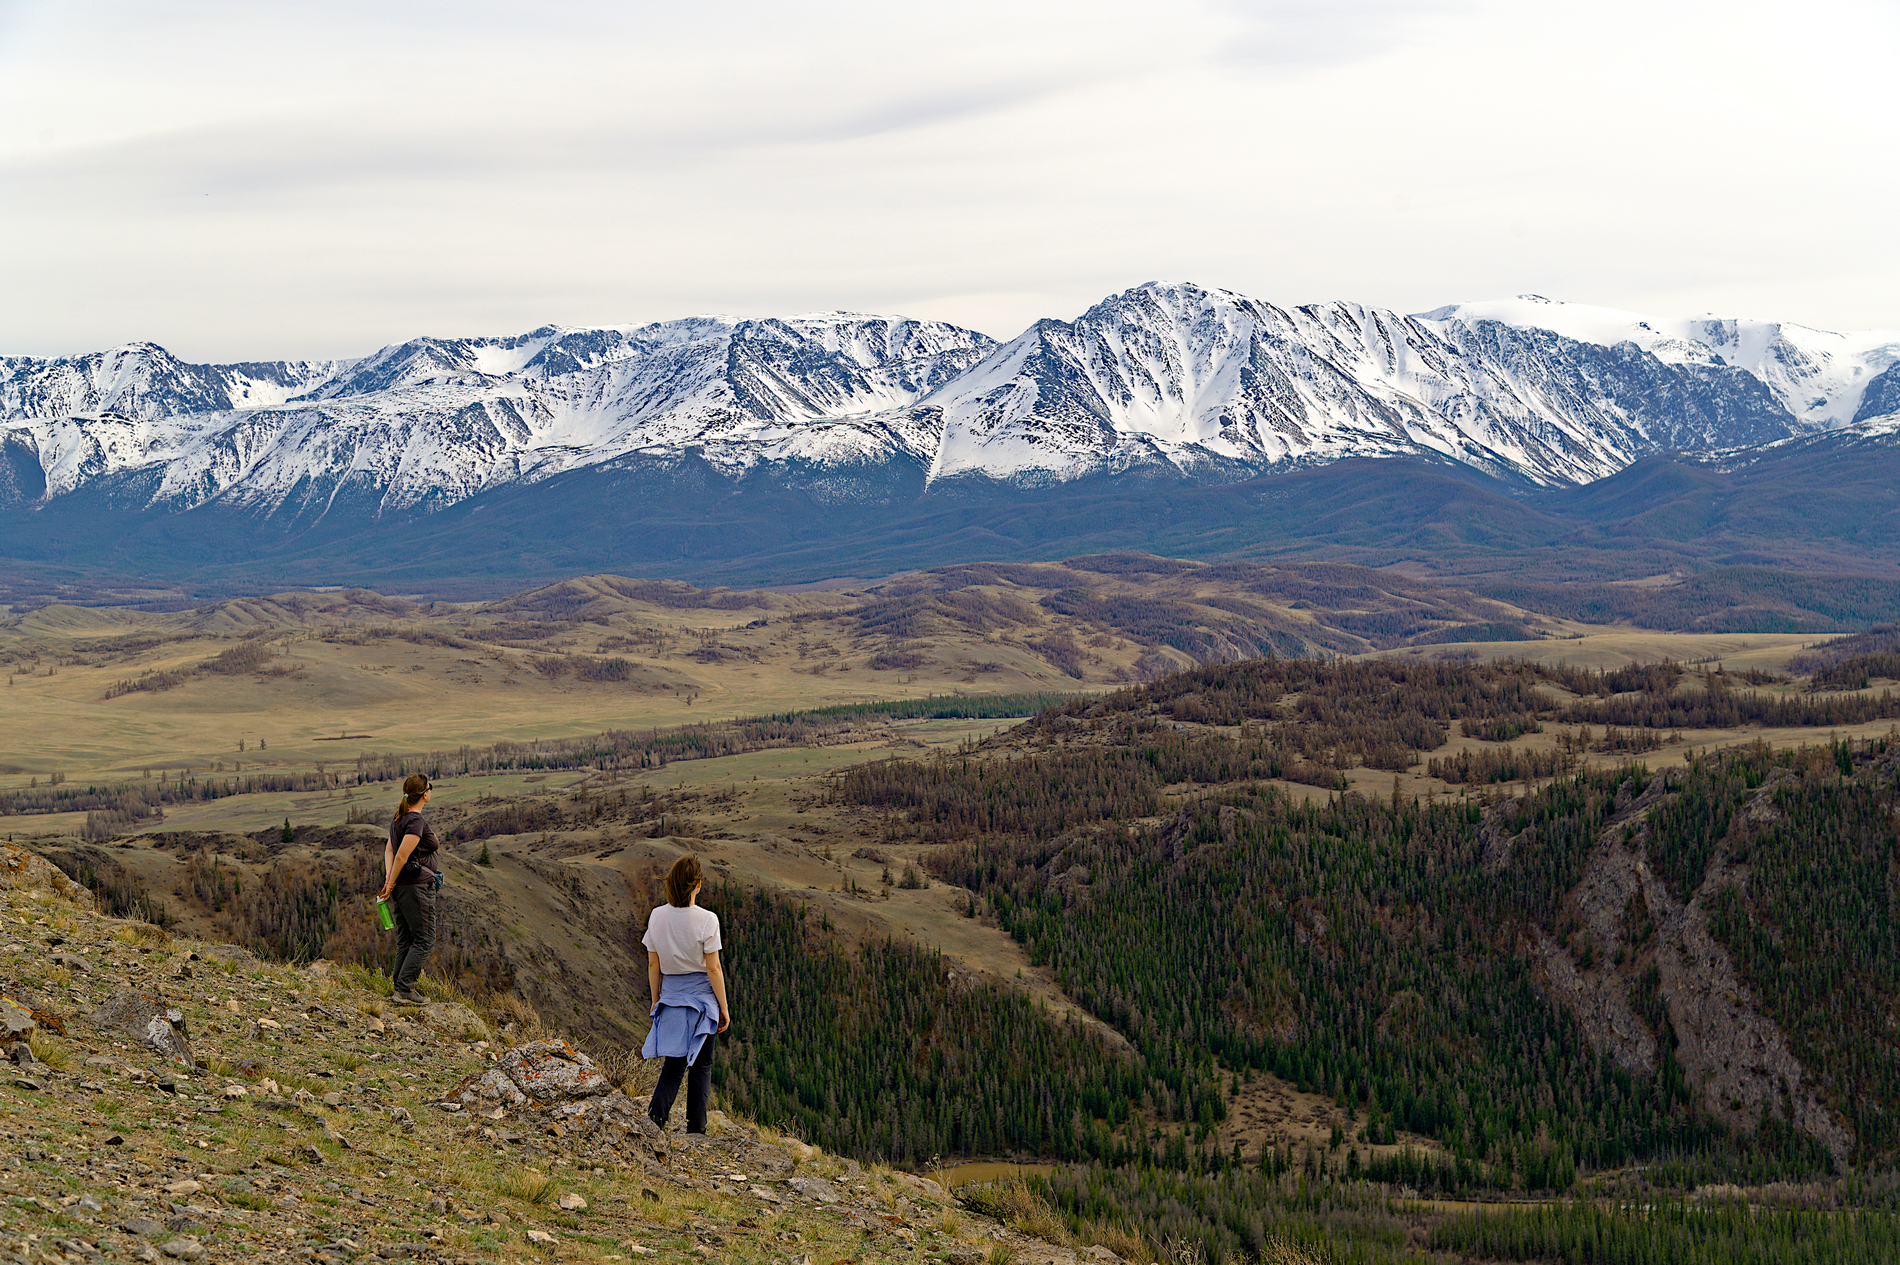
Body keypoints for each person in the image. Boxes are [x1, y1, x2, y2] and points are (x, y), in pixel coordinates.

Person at [641, 854, 729, 1134]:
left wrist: (656, 998)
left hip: (672, 994)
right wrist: (724, 1008)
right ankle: (696, 1128)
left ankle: (655, 1122)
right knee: (702, 1065)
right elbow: (713, 969)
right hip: (702, 998)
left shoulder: (657, 916)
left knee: (674, 1064)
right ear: (698, 885)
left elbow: (653, 963)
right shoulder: (707, 920)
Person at [376, 773, 441, 1005]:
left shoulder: (398, 819)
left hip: (403, 887)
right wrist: (390, 882)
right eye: (430, 787)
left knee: (406, 938)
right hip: (416, 886)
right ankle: (404, 989)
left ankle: (399, 986)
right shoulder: (414, 821)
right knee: (425, 939)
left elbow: (389, 851)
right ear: (424, 794)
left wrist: (389, 879)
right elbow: (401, 854)